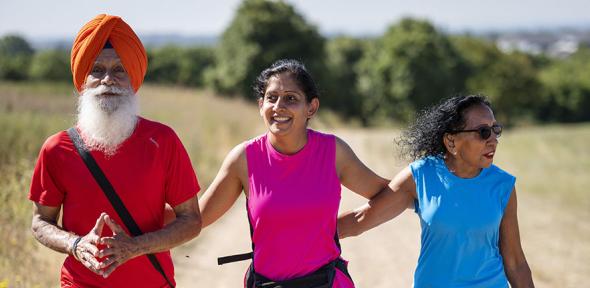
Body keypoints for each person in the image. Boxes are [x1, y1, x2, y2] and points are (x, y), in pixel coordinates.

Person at [29, 14, 202, 287]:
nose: (108, 79)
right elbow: (40, 222)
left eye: (119, 70)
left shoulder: (163, 140)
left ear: (133, 77)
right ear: (83, 80)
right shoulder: (56, 149)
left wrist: (135, 246)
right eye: (97, 70)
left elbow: (191, 219)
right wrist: (75, 244)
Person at [198, 59, 389, 287]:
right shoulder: (244, 158)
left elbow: (389, 193)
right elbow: (195, 218)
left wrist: (348, 224)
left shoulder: (333, 152)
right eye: (272, 98)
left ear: (312, 107)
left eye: (291, 98)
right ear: (261, 105)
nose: (279, 106)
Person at [338, 95, 535, 287]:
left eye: (495, 130)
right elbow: (360, 219)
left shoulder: (503, 185)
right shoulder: (421, 176)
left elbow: (516, 263)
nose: (493, 140)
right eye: (483, 132)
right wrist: (310, 234)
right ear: (451, 142)